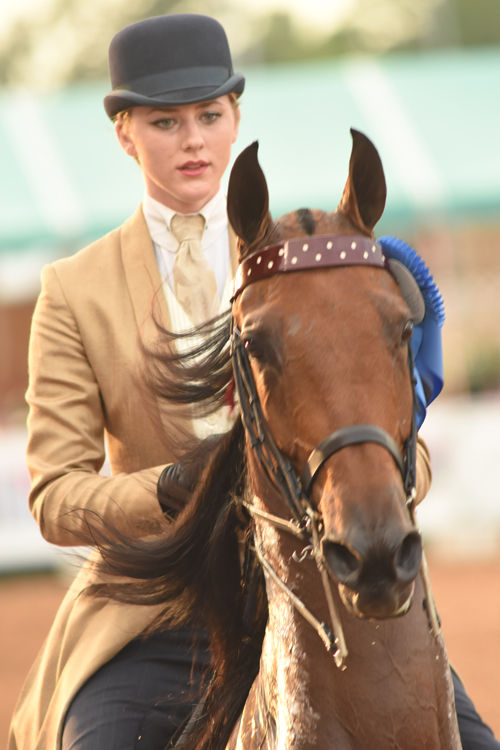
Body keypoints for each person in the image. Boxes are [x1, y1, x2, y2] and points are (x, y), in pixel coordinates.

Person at [7, 12, 499, 750]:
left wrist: (384, 475)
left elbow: (378, 436)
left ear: (236, 119)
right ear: (124, 134)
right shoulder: (73, 292)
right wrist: (173, 487)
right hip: (156, 620)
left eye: (210, 114)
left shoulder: (315, 266)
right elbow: (53, 498)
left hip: (322, 595)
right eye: (165, 121)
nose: (194, 138)